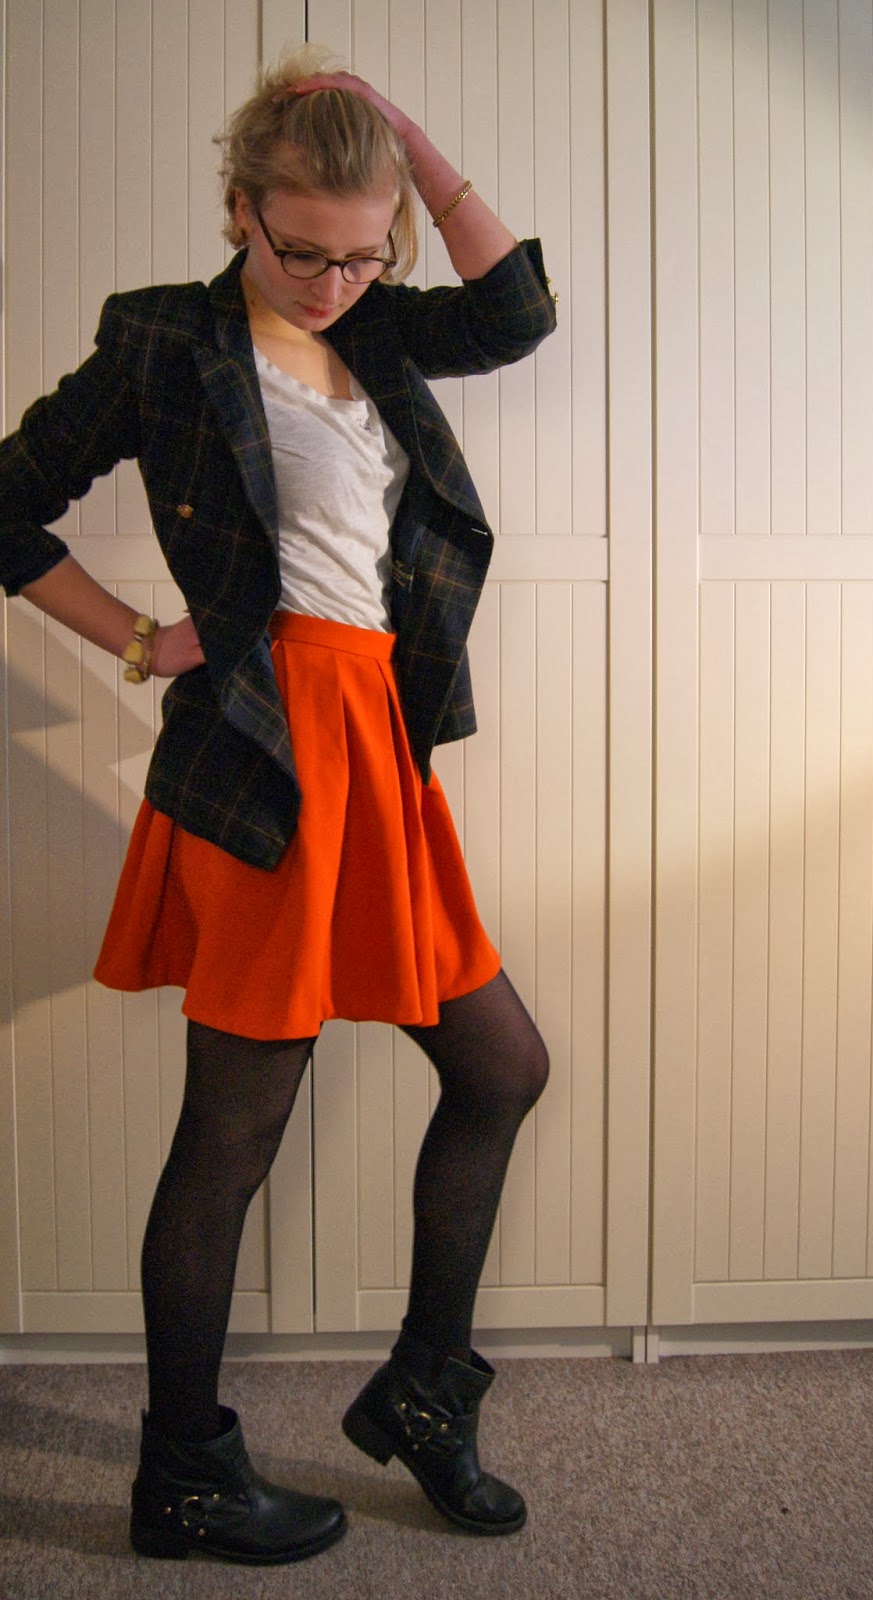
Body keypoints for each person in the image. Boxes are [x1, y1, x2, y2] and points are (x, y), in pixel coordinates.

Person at [0, 47, 556, 1564]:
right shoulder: (165, 338)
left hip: (382, 747)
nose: (327, 285)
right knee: (234, 1129)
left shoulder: (379, 324)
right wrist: (134, 637)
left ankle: (424, 1391)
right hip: (263, 754)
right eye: (298, 250)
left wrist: (401, 136)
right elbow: (5, 501)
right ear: (239, 208)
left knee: (502, 1067)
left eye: (361, 256)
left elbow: (516, 311)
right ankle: (182, 1471)